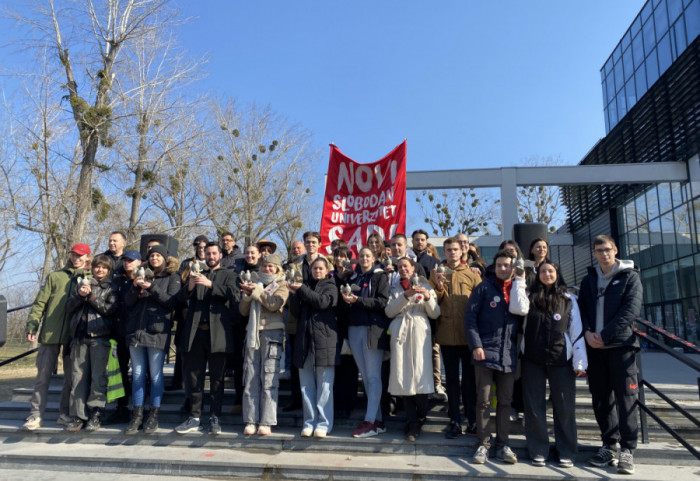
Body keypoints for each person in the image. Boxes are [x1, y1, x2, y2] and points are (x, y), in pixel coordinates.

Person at [579, 235, 642, 475]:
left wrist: (604, 335)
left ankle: (627, 449)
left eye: (607, 249)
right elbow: (581, 310)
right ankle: (609, 444)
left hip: (620, 347)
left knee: (626, 398)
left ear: (615, 250)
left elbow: (630, 311)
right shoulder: (589, 280)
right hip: (595, 350)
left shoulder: (630, 277)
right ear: (594, 253)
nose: (603, 254)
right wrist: (587, 333)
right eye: (598, 250)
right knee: (601, 400)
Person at [520, 261, 587, 468]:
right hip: (532, 360)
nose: (547, 274)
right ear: (537, 274)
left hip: (561, 361)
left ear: (557, 273)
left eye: (551, 271)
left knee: (564, 407)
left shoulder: (569, 300)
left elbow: (576, 333)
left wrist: (579, 362)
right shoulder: (529, 298)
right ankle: (538, 450)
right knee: (534, 407)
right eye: (543, 271)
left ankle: (566, 451)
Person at [464, 249, 528, 465]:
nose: (503, 268)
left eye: (507, 265)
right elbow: (470, 318)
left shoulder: (519, 288)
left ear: (513, 267)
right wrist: (476, 345)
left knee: (505, 402)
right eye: (500, 265)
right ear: (495, 266)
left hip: (508, 355)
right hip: (484, 353)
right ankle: (483, 444)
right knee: (483, 402)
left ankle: (503, 444)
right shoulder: (483, 287)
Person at [23, 243, 91, 431]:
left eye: (80, 255)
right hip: (50, 334)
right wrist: (32, 324)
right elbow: (39, 303)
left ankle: (64, 414)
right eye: (74, 255)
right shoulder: (55, 276)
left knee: (70, 379)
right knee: (42, 377)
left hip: (73, 336)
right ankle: (35, 415)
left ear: (87, 257)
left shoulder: (89, 278)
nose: (76, 258)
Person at [175, 242, 239, 435]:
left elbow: (234, 295)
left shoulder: (229, 274)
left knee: (217, 379)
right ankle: (194, 417)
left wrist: (212, 285)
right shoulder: (194, 274)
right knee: (194, 378)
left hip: (217, 334)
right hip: (195, 334)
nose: (211, 256)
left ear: (220, 255)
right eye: (207, 253)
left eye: (214, 253)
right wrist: (189, 287)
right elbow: (177, 300)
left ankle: (214, 417)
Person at [123, 244, 181, 435]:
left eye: (158, 255)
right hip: (136, 332)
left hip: (157, 332)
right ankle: (137, 414)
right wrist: (134, 287)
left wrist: (152, 287)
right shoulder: (139, 273)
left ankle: (153, 415)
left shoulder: (172, 277)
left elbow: (172, 302)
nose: (155, 258)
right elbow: (127, 303)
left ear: (165, 258)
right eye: (152, 255)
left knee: (156, 375)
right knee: (138, 375)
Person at [431, 237, 481, 439]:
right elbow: (432, 301)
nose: (452, 253)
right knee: (451, 380)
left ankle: (471, 418)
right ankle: (454, 420)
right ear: (443, 252)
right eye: (448, 250)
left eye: (455, 249)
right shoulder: (436, 273)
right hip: (446, 335)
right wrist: (438, 285)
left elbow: (480, 302)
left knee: (468, 381)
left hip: (468, 336)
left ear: (462, 251)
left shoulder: (471, 274)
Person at [385, 257, 440, 441]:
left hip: (419, 331)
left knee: (420, 375)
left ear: (413, 267)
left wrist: (427, 297)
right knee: (403, 377)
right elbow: (389, 311)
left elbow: (435, 312)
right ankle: (412, 422)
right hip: (400, 331)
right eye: (399, 267)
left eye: (405, 266)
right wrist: (405, 296)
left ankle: (421, 415)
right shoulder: (394, 287)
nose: (402, 269)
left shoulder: (425, 284)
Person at [64, 254, 118, 432]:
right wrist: (80, 296)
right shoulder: (83, 284)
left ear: (109, 270)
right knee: (77, 378)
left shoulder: (111, 287)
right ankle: (78, 416)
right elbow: (69, 307)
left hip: (100, 337)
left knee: (98, 378)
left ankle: (96, 413)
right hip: (80, 337)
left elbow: (110, 310)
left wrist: (92, 297)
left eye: (104, 267)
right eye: (97, 267)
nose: (99, 270)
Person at [341, 247, 390, 438]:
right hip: (354, 329)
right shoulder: (353, 278)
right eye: (361, 256)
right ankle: (377, 419)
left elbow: (382, 302)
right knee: (365, 375)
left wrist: (358, 300)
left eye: (368, 256)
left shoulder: (379, 277)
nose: (364, 258)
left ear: (374, 258)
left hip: (373, 330)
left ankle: (369, 420)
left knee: (373, 376)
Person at [288, 256, 339, 437]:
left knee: (325, 387)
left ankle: (324, 423)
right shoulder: (305, 286)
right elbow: (295, 312)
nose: (317, 271)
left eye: (320, 268)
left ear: (326, 270)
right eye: (314, 268)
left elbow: (322, 302)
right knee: (306, 386)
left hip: (324, 342)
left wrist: (301, 289)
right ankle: (309, 422)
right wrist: (294, 294)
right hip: (305, 341)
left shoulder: (331, 285)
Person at [239, 254, 289, 435]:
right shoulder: (254, 282)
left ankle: (266, 421)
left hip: (272, 333)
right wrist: (247, 295)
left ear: (277, 268)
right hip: (252, 333)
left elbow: (274, 305)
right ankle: (251, 420)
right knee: (251, 377)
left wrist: (258, 293)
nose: (267, 269)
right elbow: (243, 311)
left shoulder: (282, 284)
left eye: (271, 266)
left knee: (269, 378)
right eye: (265, 266)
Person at [103, 249, 142, 424]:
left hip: (138, 332)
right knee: (120, 370)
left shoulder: (144, 280)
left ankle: (139, 409)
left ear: (139, 262)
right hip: (119, 332)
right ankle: (122, 407)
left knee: (140, 372)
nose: (128, 263)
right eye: (125, 260)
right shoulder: (117, 280)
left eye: (131, 260)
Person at [330, 246, 359, 419]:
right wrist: (338, 279)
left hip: (351, 325)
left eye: (344, 256)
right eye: (337, 256)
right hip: (334, 326)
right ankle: (337, 403)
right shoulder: (331, 276)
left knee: (350, 367)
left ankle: (349, 403)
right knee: (337, 366)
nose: (340, 259)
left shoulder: (355, 276)